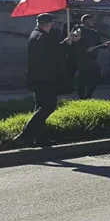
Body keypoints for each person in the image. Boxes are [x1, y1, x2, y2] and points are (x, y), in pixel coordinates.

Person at [17, 13, 79, 147]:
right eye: (53, 23)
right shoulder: (41, 37)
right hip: (44, 79)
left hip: (39, 78)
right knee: (47, 107)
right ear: (49, 23)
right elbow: (53, 54)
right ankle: (25, 135)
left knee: (40, 108)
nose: (54, 25)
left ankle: (40, 139)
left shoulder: (38, 35)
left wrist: (67, 42)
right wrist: (67, 43)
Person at [71, 13, 106, 99]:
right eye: (92, 20)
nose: (93, 22)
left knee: (96, 76)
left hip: (92, 59)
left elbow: (99, 44)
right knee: (83, 77)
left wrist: (104, 45)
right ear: (86, 21)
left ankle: (88, 95)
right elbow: (74, 42)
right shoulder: (78, 30)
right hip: (82, 58)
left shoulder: (94, 33)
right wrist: (85, 49)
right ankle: (82, 96)